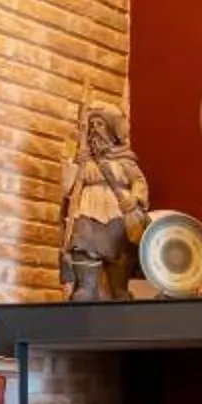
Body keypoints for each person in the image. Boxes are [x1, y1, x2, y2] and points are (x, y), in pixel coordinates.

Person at [60, 102, 152, 301]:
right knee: (83, 246)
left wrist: (134, 198)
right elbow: (68, 188)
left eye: (100, 125)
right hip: (88, 213)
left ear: (112, 129)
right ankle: (85, 288)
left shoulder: (124, 161)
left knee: (119, 258)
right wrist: (73, 162)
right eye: (91, 125)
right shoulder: (84, 161)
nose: (95, 130)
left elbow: (139, 181)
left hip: (116, 215)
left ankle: (119, 291)